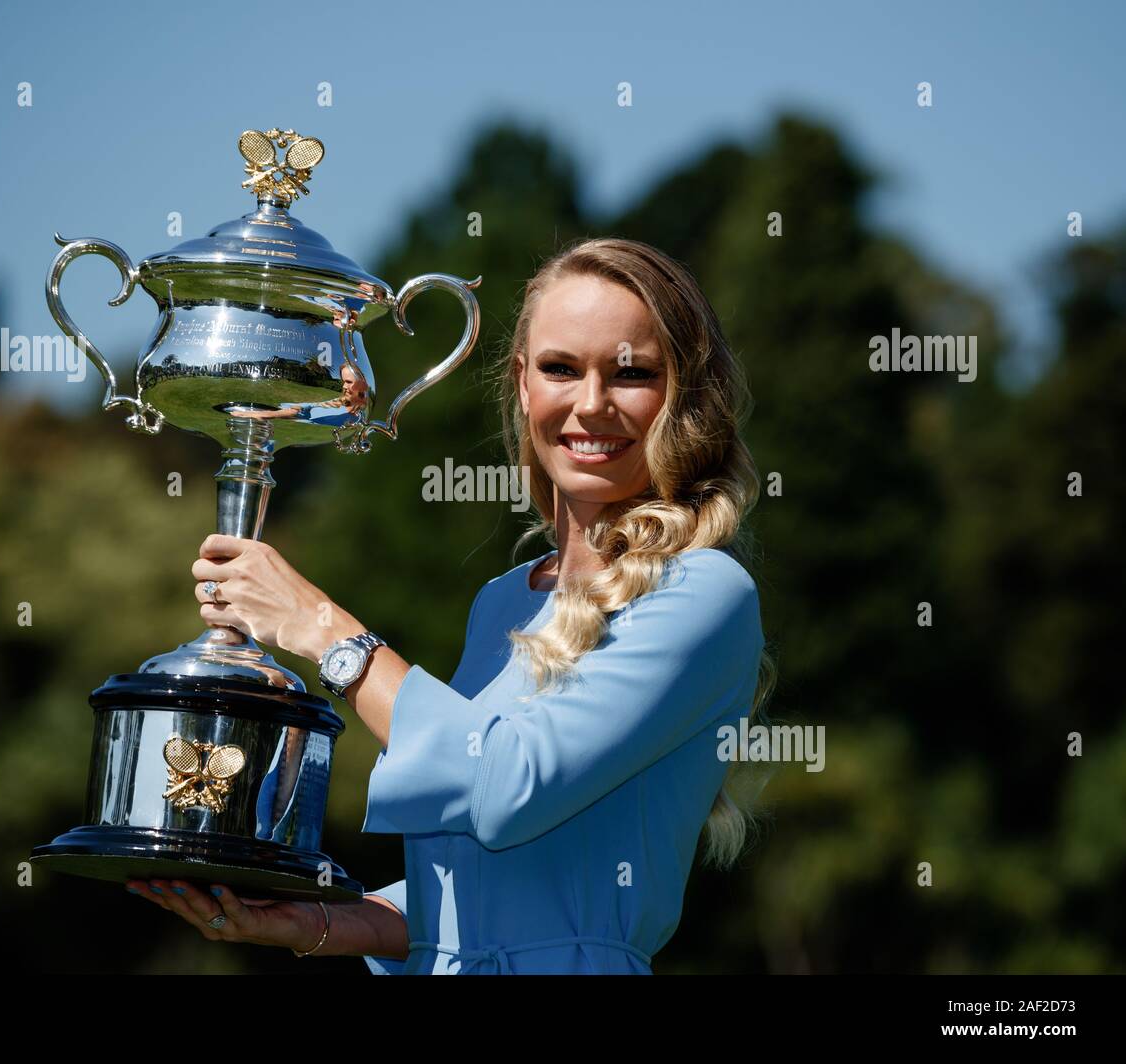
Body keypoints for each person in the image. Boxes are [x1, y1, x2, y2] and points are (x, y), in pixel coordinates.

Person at [125, 236, 776, 974]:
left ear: (684, 395)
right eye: (562, 369)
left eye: (631, 374)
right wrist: (320, 920)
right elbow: (487, 884)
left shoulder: (704, 592)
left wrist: (325, 631)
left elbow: (507, 786)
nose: (590, 405)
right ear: (524, 383)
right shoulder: (502, 601)